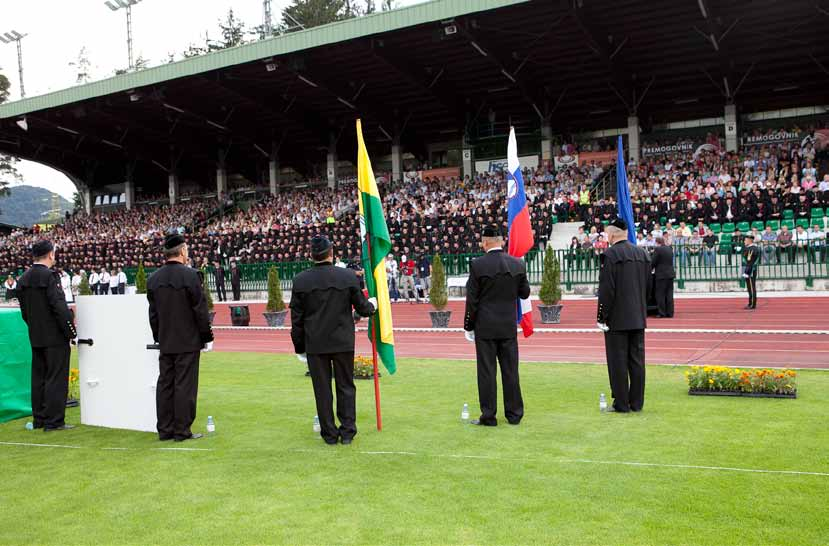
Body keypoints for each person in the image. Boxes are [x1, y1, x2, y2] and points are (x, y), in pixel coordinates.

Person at [289, 235, 377, 445]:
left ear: (312, 255)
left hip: (315, 344)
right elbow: (363, 308)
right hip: (342, 341)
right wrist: (373, 304)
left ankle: (329, 434)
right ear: (331, 253)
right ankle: (347, 432)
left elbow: (297, 320)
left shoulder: (301, 280)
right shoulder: (347, 277)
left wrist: (299, 347)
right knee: (346, 386)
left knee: (322, 390)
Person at [147, 233, 214, 442]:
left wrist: (159, 337)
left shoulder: (153, 279)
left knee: (165, 384)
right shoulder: (192, 276)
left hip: (166, 340)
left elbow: (153, 314)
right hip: (188, 340)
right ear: (183, 251)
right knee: (184, 385)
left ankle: (165, 429)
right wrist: (206, 336)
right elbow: (200, 311)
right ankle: (182, 430)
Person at [463, 225, 531, 426]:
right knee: (510, 371)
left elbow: (472, 300)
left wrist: (469, 325)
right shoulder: (517, 264)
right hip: (508, 326)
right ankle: (514, 414)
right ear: (502, 241)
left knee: (487, 372)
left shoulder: (478, 265)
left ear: (485, 242)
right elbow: (525, 293)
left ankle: (489, 416)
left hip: (485, 327)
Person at [16, 240, 77, 431]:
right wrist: (71, 329)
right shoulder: (50, 276)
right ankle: (54, 421)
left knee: (39, 378)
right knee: (56, 378)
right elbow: (58, 306)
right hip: (55, 336)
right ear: (50, 254)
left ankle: (40, 418)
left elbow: (24, 311)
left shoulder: (23, 278)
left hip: (36, 335)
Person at [597, 218, 650, 413]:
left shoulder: (610, 255)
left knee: (617, 361)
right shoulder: (642, 254)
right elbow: (648, 287)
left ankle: (621, 403)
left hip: (617, 319)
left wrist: (602, 316)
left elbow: (607, 290)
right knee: (637, 361)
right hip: (638, 316)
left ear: (611, 235)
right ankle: (637, 403)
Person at [651, 237, 675, 318]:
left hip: (661, 275)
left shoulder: (658, 250)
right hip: (670, 274)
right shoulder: (669, 249)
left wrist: (648, 269)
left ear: (657, 242)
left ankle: (662, 312)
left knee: (660, 294)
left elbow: (653, 262)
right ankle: (670, 312)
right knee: (669, 294)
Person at [743, 234, 759, 310]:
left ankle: (753, 304)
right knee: (749, 287)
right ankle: (750, 302)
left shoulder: (754, 249)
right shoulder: (747, 248)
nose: (744, 241)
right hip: (747, 268)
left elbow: (752, 261)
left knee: (752, 287)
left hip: (751, 269)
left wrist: (749, 270)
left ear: (750, 241)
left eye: (745, 240)